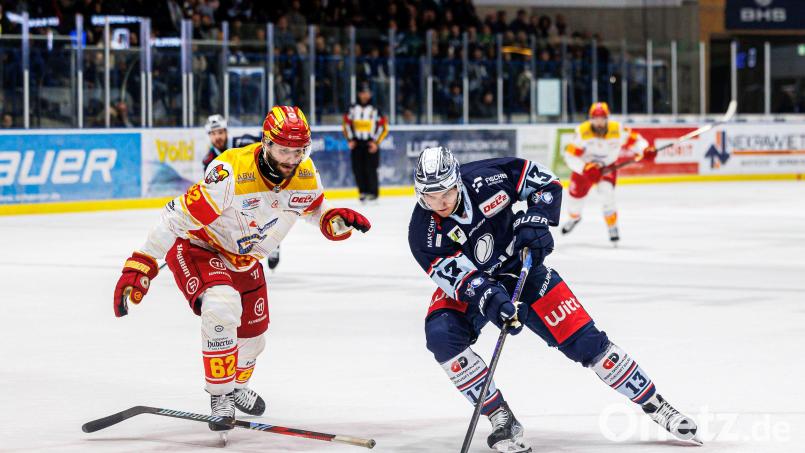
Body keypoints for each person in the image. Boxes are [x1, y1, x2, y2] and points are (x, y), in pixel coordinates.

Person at [408, 147, 699, 452]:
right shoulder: (422, 234)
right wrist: (495, 302)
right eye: (430, 197)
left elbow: (545, 182)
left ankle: (655, 403)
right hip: (474, 284)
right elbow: (464, 281)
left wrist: (536, 219)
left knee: (586, 342)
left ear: (458, 182)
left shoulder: (488, 176)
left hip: (521, 267)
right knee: (441, 335)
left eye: (447, 193)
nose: (440, 203)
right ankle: (499, 415)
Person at [113, 106, 371, 433]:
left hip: (245, 258)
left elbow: (314, 210)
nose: (291, 159)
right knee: (222, 306)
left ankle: (234, 385)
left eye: (299, 150)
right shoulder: (230, 173)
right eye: (282, 150)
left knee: (255, 339)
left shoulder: (305, 173)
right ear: (266, 143)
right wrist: (143, 262)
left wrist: (334, 220)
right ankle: (220, 395)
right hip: (200, 248)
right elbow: (176, 216)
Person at [561, 102, 657, 244]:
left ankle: (612, 226)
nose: (599, 121)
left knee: (607, 194)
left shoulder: (617, 129)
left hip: (606, 168)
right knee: (574, 199)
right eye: (595, 118)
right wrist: (584, 168)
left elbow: (636, 141)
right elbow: (569, 156)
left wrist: (645, 149)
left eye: (602, 118)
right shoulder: (581, 132)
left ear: (607, 118)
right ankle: (574, 218)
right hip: (584, 169)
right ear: (590, 119)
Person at [202, 114, 282, 269]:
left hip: (259, 187)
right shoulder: (208, 161)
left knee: (267, 214)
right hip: (235, 195)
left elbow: (268, 146)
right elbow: (212, 188)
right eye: (213, 133)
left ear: (226, 131)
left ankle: (274, 242)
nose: (217, 136)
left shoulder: (244, 142)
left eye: (220, 132)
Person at [342, 84, 389, 202]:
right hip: (357, 143)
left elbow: (383, 127)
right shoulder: (352, 109)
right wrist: (350, 140)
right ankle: (362, 192)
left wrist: (376, 143)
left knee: (371, 168)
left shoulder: (376, 110)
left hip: (370, 143)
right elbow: (346, 124)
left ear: (370, 94)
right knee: (357, 168)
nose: (364, 95)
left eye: (367, 93)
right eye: (362, 93)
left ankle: (373, 193)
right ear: (359, 94)